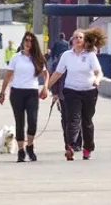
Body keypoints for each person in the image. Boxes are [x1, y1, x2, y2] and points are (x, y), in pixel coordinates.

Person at [45, 27, 105, 161]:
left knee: (87, 121)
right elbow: (58, 73)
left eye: (80, 37)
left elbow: (98, 72)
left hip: (89, 91)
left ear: (84, 41)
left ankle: (87, 148)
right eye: (75, 37)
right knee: (73, 119)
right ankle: (70, 146)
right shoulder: (66, 55)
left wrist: (97, 80)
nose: (78, 39)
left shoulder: (90, 55)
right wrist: (46, 87)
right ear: (71, 41)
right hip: (71, 91)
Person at [0, 31, 48, 162]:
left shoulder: (37, 57)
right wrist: (2, 92)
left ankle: (30, 146)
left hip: (32, 92)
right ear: (23, 42)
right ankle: (20, 150)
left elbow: (45, 74)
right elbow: (8, 76)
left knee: (32, 121)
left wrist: (45, 87)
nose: (28, 43)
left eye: (31, 41)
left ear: (34, 43)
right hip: (17, 92)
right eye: (26, 40)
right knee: (20, 122)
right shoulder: (16, 57)